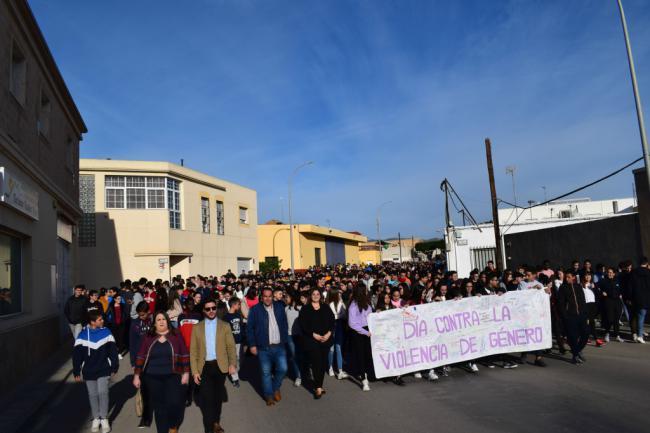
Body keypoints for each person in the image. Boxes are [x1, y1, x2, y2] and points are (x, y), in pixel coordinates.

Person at [133, 312, 190, 433]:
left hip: (173, 375)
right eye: (158, 319)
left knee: (174, 403)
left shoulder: (176, 334)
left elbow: (184, 353)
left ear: (167, 321)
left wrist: (186, 373)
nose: (161, 321)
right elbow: (141, 355)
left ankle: (173, 425)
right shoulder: (149, 336)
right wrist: (137, 375)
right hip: (152, 376)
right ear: (154, 323)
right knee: (159, 407)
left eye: (164, 319)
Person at [190, 298, 238, 433]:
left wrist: (232, 364)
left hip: (220, 366)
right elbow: (193, 351)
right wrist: (195, 371)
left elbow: (231, 347)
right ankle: (209, 428)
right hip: (204, 367)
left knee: (217, 398)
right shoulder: (197, 328)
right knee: (207, 398)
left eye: (213, 308)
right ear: (203, 311)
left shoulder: (225, 326)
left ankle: (216, 422)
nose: (211, 311)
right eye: (208, 309)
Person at [73, 310, 119, 433]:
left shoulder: (107, 332)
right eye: (100, 319)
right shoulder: (82, 335)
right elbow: (77, 355)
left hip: (104, 368)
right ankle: (96, 418)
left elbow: (113, 351)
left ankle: (104, 418)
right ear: (92, 322)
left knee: (102, 391)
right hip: (88, 370)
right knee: (92, 394)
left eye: (102, 319)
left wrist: (114, 366)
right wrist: (76, 371)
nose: (102, 321)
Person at [247, 287, 289, 406]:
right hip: (263, 347)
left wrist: (284, 339)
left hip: (279, 345)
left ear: (273, 297)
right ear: (261, 297)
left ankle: (275, 387)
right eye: (265, 296)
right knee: (265, 372)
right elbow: (249, 329)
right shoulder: (255, 310)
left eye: (269, 296)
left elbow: (284, 324)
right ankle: (269, 395)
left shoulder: (280, 307)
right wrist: (252, 345)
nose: (267, 298)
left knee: (283, 369)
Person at [299, 288, 335, 399]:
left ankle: (319, 385)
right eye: (313, 294)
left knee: (323, 363)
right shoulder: (305, 309)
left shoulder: (326, 307)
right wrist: (313, 334)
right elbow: (303, 325)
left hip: (325, 339)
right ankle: (318, 387)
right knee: (316, 362)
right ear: (311, 296)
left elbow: (332, 321)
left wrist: (329, 333)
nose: (315, 296)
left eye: (317, 294)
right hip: (312, 340)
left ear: (320, 295)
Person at [129, 302, 153, 428]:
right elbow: (132, 344)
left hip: (155, 360)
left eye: (143, 314)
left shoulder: (153, 321)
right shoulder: (134, 324)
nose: (141, 316)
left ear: (148, 311)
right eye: (139, 315)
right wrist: (133, 362)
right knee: (144, 389)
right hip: (141, 360)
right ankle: (145, 418)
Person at [557, 271, 589, 364]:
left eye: (568, 277)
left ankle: (577, 350)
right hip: (570, 317)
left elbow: (583, 301)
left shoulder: (578, 287)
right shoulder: (563, 288)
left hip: (581, 315)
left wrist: (585, 314)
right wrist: (565, 316)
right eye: (566, 277)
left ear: (573, 277)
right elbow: (561, 304)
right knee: (573, 337)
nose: (567, 279)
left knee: (586, 334)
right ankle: (575, 356)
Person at [348, 284, 374, 390]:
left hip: (368, 330)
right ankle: (364, 380)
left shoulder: (367, 303)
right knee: (360, 355)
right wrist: (364, 332)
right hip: (358, 332)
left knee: (368, 354)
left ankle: (366, 372)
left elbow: (370, 316)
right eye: (365, 290)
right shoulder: (353, 306)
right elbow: (352, 323)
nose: (367, 292)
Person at [223, 297, 246, 387]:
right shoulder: (226, 317)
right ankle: (235, 378)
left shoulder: (238, 315)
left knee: (240, 360)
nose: (239, 306)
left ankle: (233, 370)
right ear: (233, 305)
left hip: (239, 341)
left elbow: (241, 327)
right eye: (238, 304)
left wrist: (244, 337)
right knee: (233, 360)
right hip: (231, 342)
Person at [327, 288, 348, 379]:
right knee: (331, 349)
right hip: (331, 326)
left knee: (338, 347)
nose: (340, 295)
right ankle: (330, 367)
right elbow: (330, 316)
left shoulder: (341, 303)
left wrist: (343, 303)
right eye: (338, 294)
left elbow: (344, 315)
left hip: (339, 325)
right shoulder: (328, 304)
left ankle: (340, 370)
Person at [600, 267, 624, 343]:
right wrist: (602, 293)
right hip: (608, 301)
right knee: (609, 319)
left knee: (616, 320)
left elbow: (622, 289)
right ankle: (607, 334)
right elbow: (597, 287)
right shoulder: (604, 281)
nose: (609, 274)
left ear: (614, 273)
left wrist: (621, 294)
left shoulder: (617, 280)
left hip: (617, 302)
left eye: (611, 272)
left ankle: (617, 335)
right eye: (608, 272)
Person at [284, 292, 303, 387]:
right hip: (289, 335)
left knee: (301, 355)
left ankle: (305, 372)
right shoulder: (286, 309)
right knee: (294, 355)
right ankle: (298, 376)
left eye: (287, 297)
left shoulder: (301, 308)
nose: (285, 298)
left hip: (300, 336)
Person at [630, 258, 650, 343]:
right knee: (641, 316)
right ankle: (640, 335)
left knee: (637, 316)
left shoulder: (633, 272)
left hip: (635, 297)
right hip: (645, 298)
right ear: (647, 263)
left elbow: (630, 286)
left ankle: (638, 333)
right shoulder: (648, 273)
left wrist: (630, 297)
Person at [106, 292, 128, 357]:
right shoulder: (111, 305)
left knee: (121, 339)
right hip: (114, 325)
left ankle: (120, 353)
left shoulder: (123, 306)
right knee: (115, 338)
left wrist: (124, 320)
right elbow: (106, 314)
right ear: (115, 299)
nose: (119, 300)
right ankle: (115, 351)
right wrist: (109, 321)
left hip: (121, 325)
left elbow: (126, 314)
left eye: (120, 299)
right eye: (118, 299)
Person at [581, 273, 601, 347]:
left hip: (593, 305)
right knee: (588, 322)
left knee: (591, 322)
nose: (588, 277)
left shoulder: (593, 285)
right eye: (586, 275)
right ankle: (595, 339)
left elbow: (598, 294)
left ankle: (591, 338)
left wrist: (594, 288)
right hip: (585, 305)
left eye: (589, 276)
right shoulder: (581, 285)